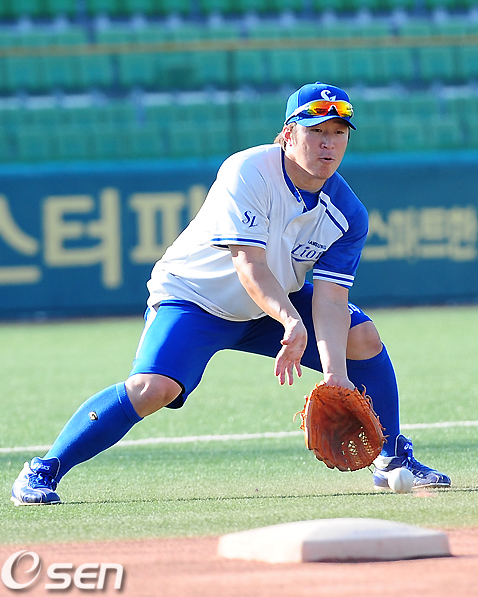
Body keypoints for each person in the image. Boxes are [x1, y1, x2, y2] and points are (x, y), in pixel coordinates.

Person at [11, 82, 450, 506]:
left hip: (269, 307)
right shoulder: (249, 171)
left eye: (338, 133)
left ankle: (392, 457)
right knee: (152, 388)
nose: (327, 143)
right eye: (315, 130)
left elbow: (331, 299)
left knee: (362, 338)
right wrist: (290, 320)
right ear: (288, 134)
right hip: (195, 299)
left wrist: (336, 374)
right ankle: (43, 469)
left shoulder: (348, 213)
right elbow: (249, 265)